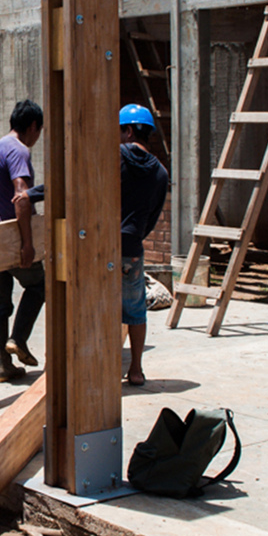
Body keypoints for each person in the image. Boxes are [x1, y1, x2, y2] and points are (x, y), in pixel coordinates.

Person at [0, 99, 45, 382]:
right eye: (39, 131)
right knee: (40, 285)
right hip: (7, 236)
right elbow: (21, 197)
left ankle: (2, 365)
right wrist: (28, 244)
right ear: (32, 126)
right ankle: (18, 339)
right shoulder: (19, 151)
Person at [118, 105, 170, 387]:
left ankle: (102, 366)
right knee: (136, 311)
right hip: (132, 250)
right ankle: (135, 370)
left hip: (101, 246)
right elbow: (152, 215)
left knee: (98, 307)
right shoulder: (160, 172)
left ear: (127, 130)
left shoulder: (114, 157)